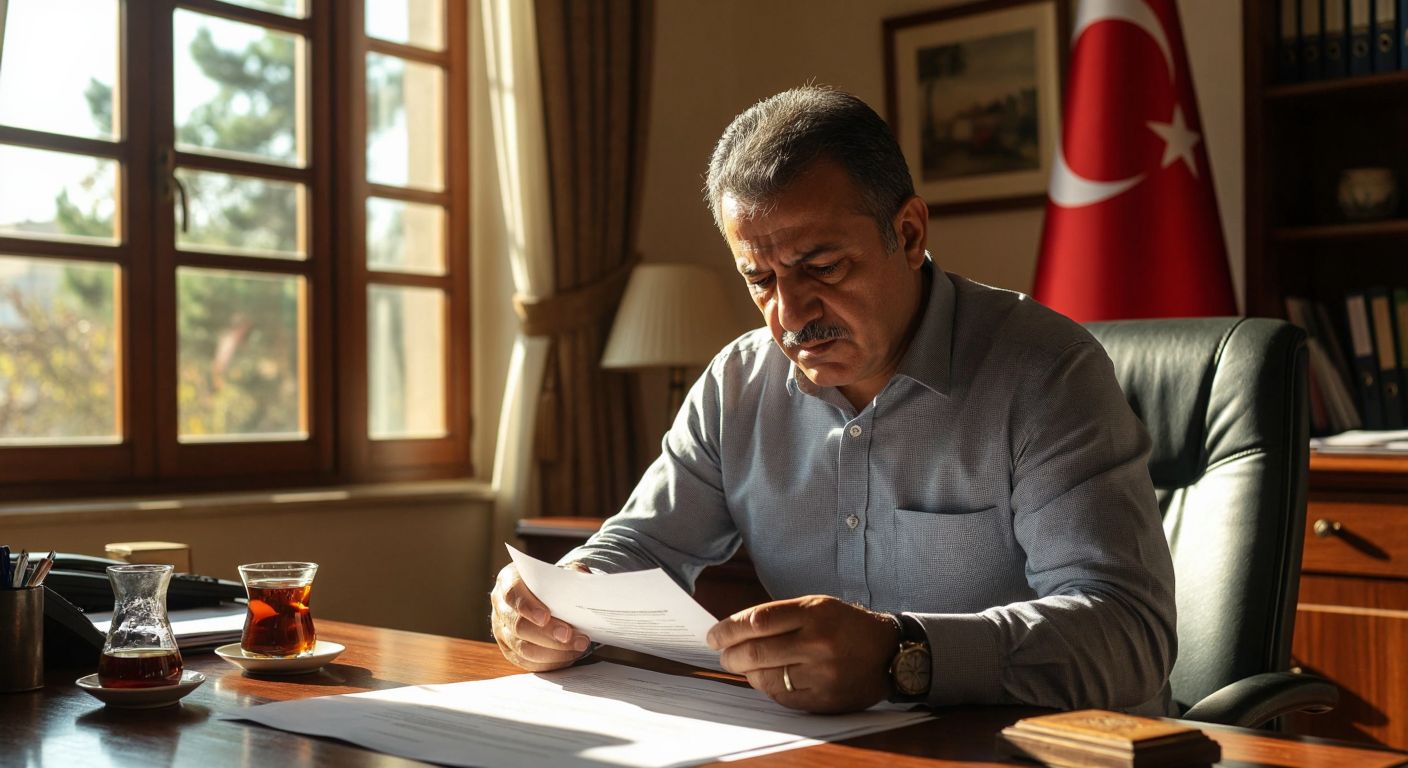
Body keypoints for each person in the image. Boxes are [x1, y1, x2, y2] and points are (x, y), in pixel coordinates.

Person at [490, 86, 1176, 716]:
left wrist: (903, 654)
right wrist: (561, 599)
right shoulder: (737, 385)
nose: (790, 315)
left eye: (822, 267)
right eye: (759, 279)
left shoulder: (1045, 373)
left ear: (908, 234)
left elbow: (1128, 632)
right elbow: (640, 543)